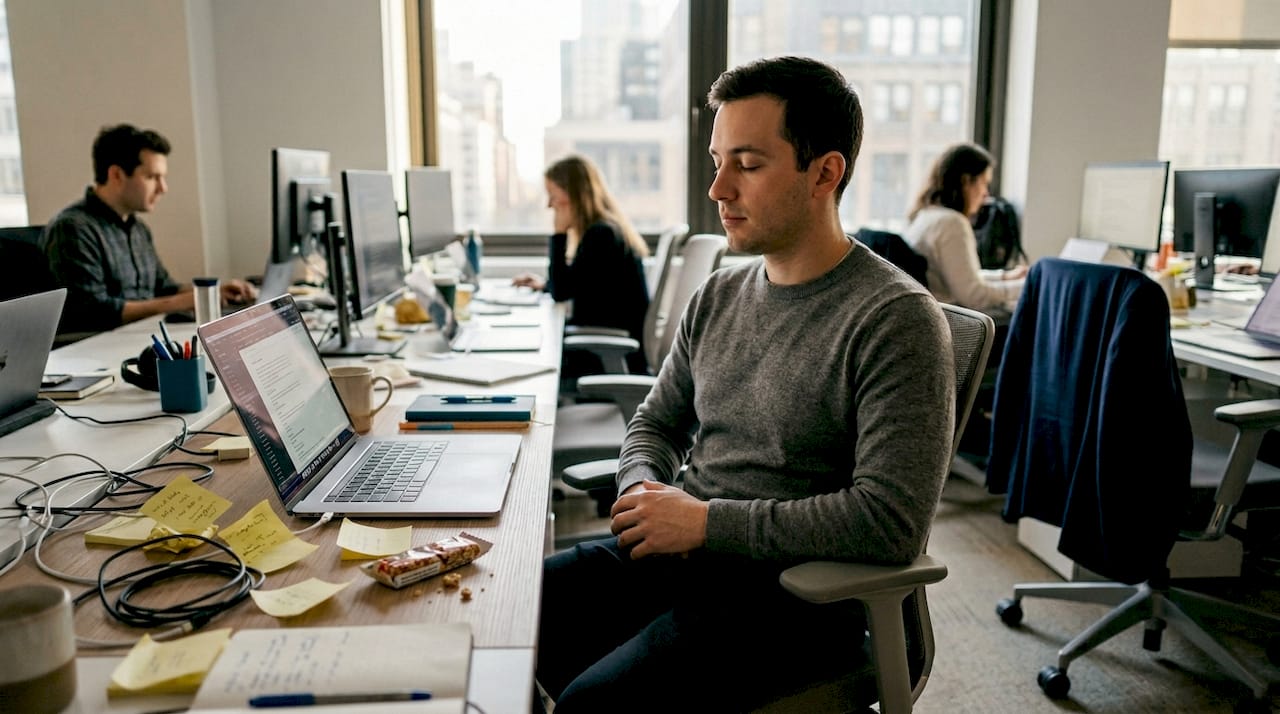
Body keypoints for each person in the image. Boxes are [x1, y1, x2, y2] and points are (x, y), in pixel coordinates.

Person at [535, 57, 956, 712]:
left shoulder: (895, 319)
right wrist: (641, 487)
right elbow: (655, 423)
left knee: (591, 704)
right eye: (717, 161)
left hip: (797, 598)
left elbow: (888, 521)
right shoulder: (719, 295)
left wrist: (706, 523)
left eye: (748, 165)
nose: (718, 188)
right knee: (515, 612)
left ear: (825, 173)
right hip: (686, 556)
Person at [41, 124, 255, 335]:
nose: (163, 188)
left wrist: (210, 292)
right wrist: (179, 303)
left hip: (141, 335)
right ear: (116, 175)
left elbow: (163, 288)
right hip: (101, 344)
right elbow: (94, 310)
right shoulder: (73, 228)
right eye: (152, 177)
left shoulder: (138, 229)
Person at [513, 155, 650, 374]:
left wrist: (559, 233)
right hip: (603, 344)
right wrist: (545, 285)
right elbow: (577, 283)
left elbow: (561, 292)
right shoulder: (604, 229)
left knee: (526, 356)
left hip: (603, 353)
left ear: (573, 195)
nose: (549, 205)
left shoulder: (601, 234)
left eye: (553, 196)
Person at [903, 142, 1026, 313]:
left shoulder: (926, 215)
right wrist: (1026, 286)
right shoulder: (952, 223)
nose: (986, 194)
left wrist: (1004, 276)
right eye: (984, 183)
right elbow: (974, 296)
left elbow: (959, 277)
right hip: (948, 318)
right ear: (966, 181)